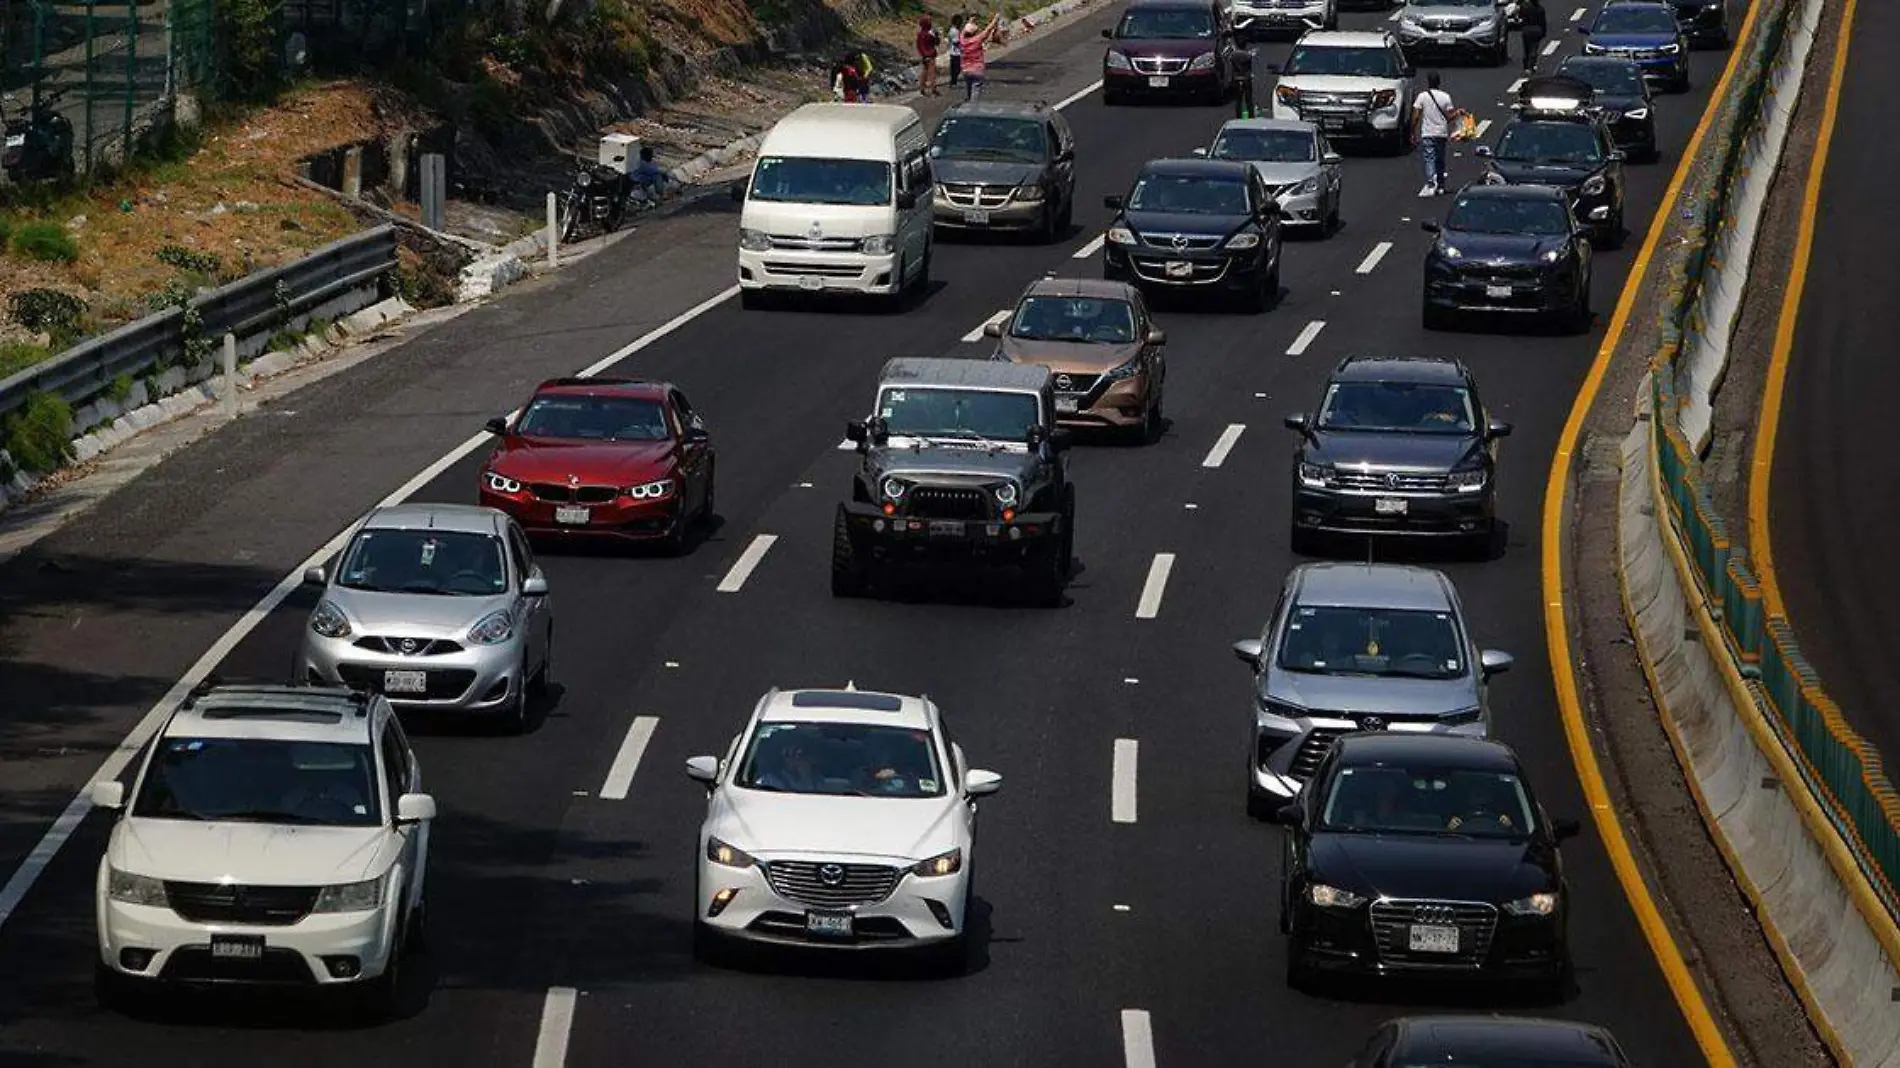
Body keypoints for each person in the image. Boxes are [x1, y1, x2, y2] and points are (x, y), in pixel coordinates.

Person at [1411, 71, 1465, 197]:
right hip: (1441, 133)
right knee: (1440, 159)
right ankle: (1441, 185)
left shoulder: (1422, 96)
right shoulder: (1445, 97)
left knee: (1430, 158)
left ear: (1428, 82)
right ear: (1439, 82)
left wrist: (1412, 131)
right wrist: (1458, 113)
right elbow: (1450, 116)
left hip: (1428, 133)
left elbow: (1416, 116)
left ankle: (1431, 183)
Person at [960, 13, 1002, 101]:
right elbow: (988, 29)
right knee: (975, 92)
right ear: (974, 32)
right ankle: (972, 109)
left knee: (969, 90)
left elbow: (964, 30)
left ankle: (968, 107)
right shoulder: (977, 39)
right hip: (977, 70)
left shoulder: (962, 40)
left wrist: (970, 21)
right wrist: (995, 19)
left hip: (965, 70)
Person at [1519, 0, 1548, 73]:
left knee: (1526, 49)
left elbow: (1520, 17)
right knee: (1534, 49)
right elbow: (1543, 22)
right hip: (1537, 30)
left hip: (1527, 30)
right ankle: (1531, 65)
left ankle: (1526, 66)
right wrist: (1544, 32)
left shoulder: (1525, 8)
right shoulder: (1541, 9)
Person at [917, 16, 941, 96]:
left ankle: (922, 88)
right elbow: (936, 42)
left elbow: (919, 46)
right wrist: (937, 35)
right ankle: (933, 89)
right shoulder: (929, 35)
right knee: (932, 73)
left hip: (924, 56)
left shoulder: (920, 34)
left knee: (924, 72)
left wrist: (923, 54)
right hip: (931, 55)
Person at [948, 14, 965, 86]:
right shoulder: (954, 31)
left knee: (954, 68)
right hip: (955, 52)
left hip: (953, 52)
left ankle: (953, 81)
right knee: (956, 68)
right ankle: (953, 82)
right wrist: (963, 47)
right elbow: (956, 42)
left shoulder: (953, 30)